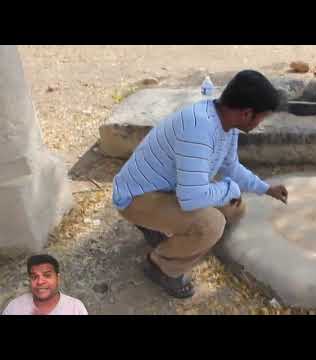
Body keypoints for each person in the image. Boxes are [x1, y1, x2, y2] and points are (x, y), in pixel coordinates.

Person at [112, 69, 288, 299]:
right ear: (247, 113)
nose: (261, 123)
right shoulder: (199, 128)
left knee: (234, 207)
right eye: (262, 117)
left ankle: (164, 230)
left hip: (167, 188)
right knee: (211, 225)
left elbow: (230, 167)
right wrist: (229, 189)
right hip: (136, 197)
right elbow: (191, 198)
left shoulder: (226, 122)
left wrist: (265, 188)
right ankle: (161, 265)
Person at [2, 254, 88, 315]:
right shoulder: (15, 307)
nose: (40, 282)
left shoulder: (75, 308)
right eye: (34, 277)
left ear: (58, 278)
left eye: (47, 275)